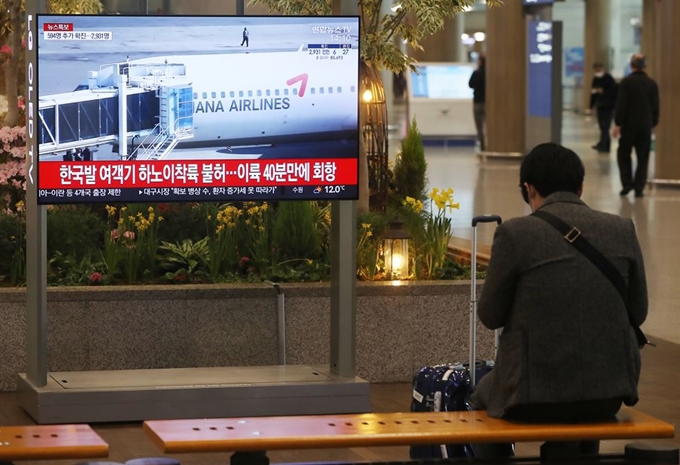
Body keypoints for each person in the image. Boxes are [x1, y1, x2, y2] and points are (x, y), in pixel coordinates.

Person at [470, 143, 647, 452]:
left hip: (531, 396)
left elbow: (490, 315)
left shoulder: (516, 233)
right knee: (580, 410)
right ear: (580, 187)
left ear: (528, 188)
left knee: (479, 396)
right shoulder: (622, 229)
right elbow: (639, 311)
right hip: (608, 393)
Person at [612, 54, 659, 198]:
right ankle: (639, 187)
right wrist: (653, 123)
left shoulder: (626, 83)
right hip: (645, 125)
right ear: (644, 66)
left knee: (624, 154)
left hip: (628, 125)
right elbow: (655, 107)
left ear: (631, 66)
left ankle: (627, 184)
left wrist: (618, 123)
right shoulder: (652, 84)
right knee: (643, 156)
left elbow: (621, 104)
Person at [589, 63, 617, 153]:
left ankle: (604, 145)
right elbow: (593, 93)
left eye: (598, 70)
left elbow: (614, 92)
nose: (597, 72)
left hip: (608, 106)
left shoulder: (609, 79)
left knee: (605, 126)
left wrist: (603, 91)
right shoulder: (595, 79)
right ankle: (603, 144)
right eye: (595, 71)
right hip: (600, 106)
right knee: (602, 127)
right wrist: (591, 106)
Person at [468, 55, 486, 152]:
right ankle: (490, 145)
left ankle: (482, 147)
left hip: (477, 103)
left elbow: (470, 85)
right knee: (488, 126)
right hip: (488, 103)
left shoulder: (476, 73)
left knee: (479, 127)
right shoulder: (488, 74)